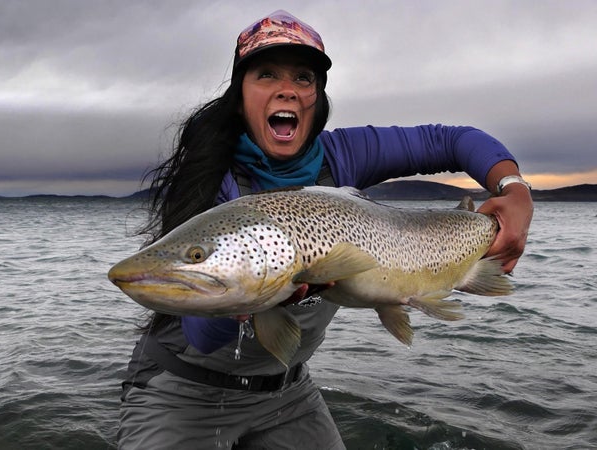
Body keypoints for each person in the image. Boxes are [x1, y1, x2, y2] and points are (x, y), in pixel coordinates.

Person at [117, 10, 533, 449]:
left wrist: (515, 190)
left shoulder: (341, 154)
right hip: (180, 391)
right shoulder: (208, 174)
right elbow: (200, 335)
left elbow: (454, 140)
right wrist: (255, 296)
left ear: (318, 98)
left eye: (303, 78)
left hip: (287, 393)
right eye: (266, 74)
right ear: (239, 96)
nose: (287, 90)